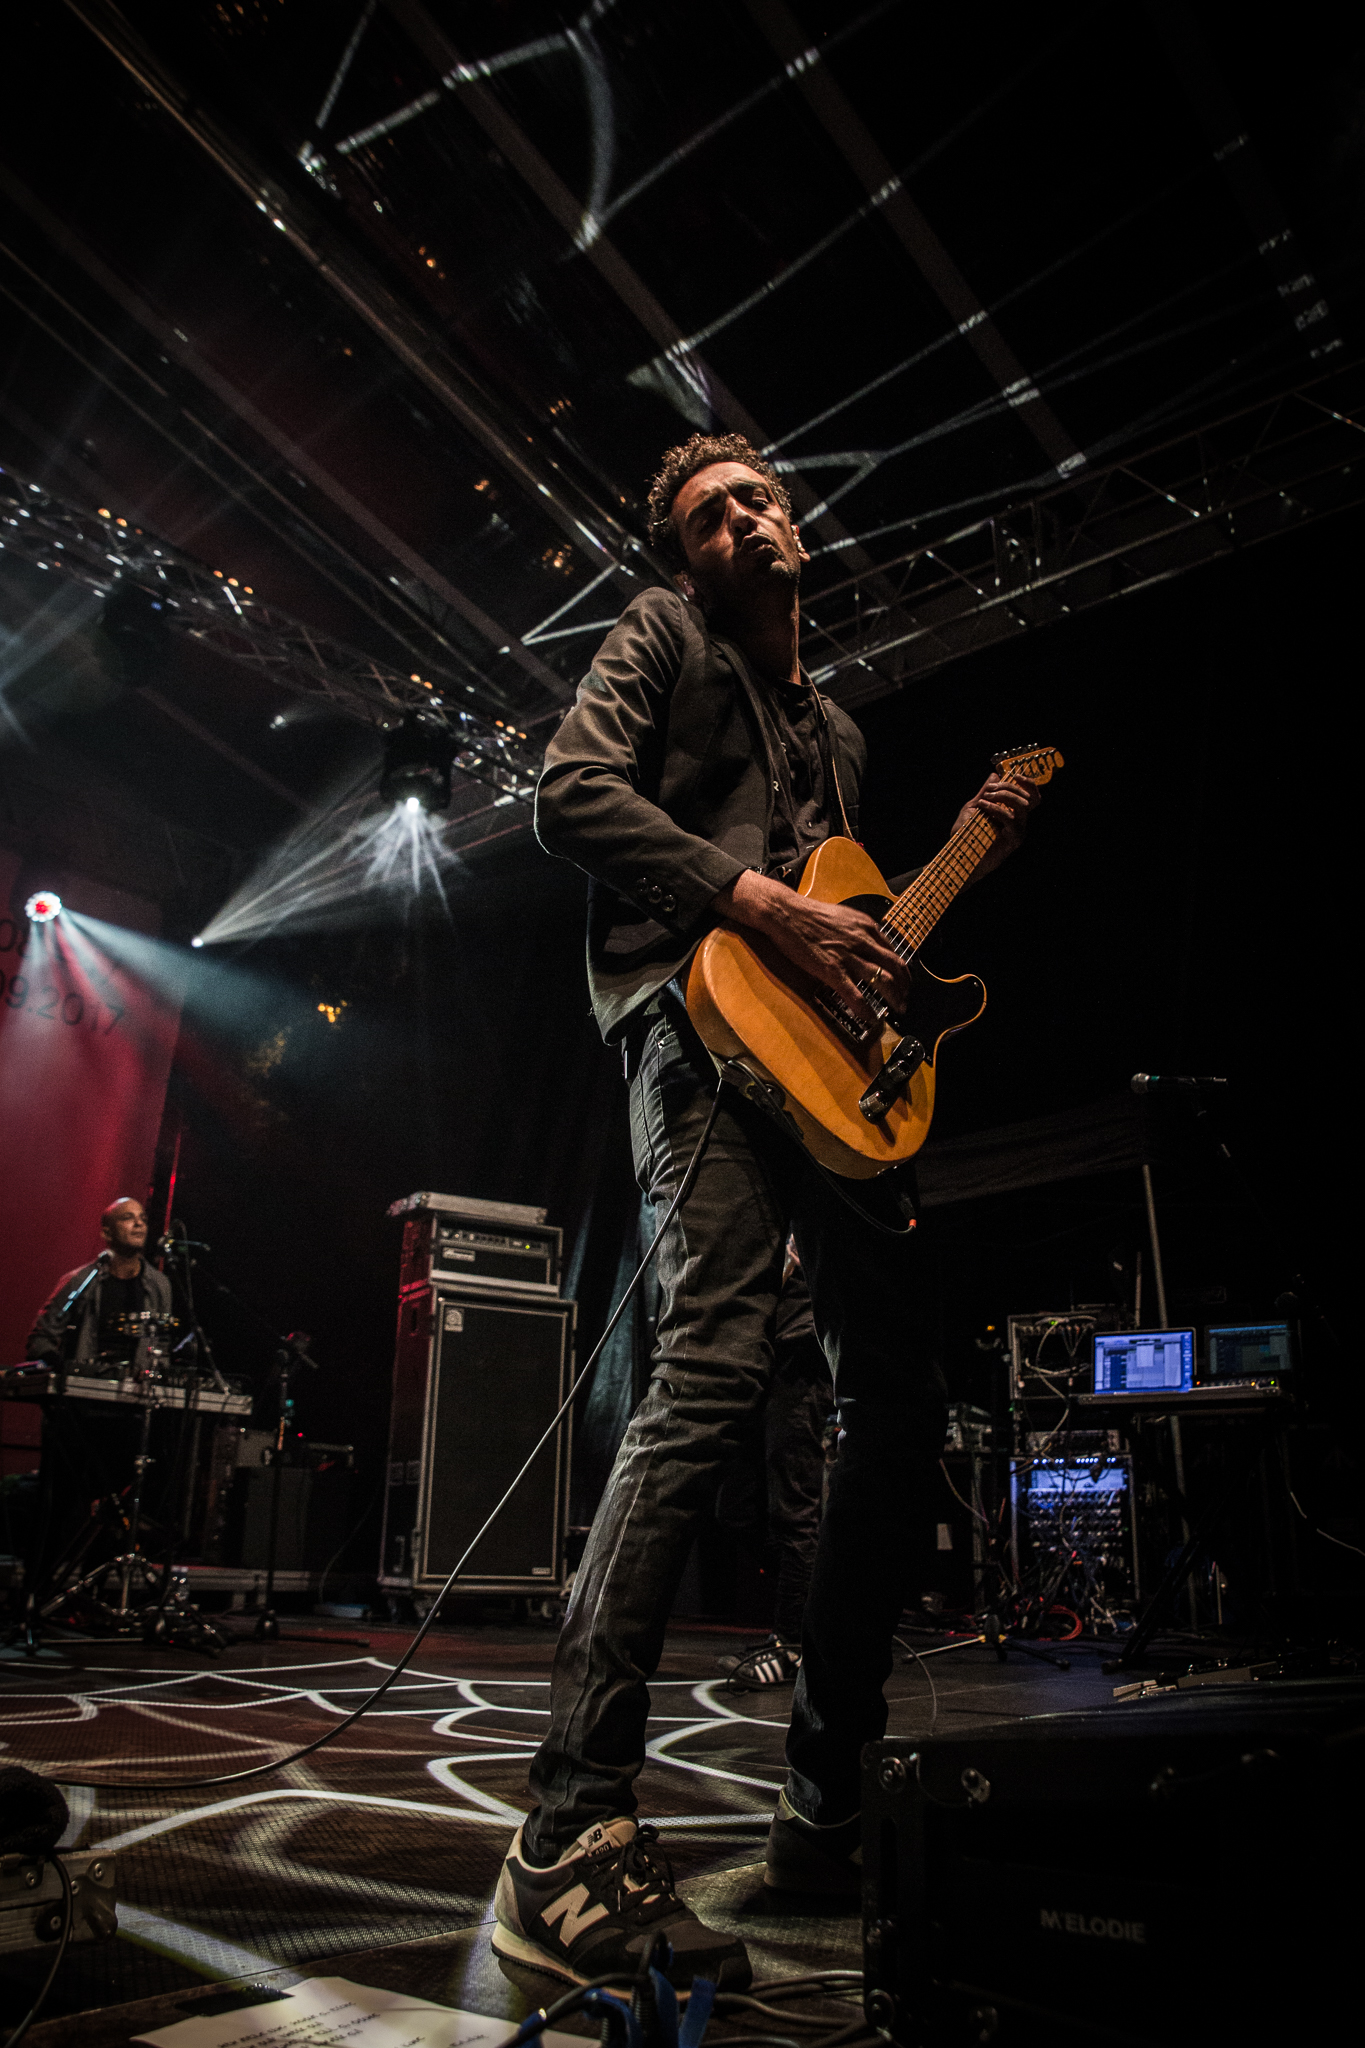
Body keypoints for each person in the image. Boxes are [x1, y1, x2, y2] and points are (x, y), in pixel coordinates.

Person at [492, 433, 1038, 1990]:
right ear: (686, 557)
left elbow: (850, 917)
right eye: (707, 514)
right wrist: (748, 899)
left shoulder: (841, 735)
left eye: (758, 496)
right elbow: (569, 793)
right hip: (695, 1022)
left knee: (899, 1398)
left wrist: (938, 892)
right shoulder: (661, 638)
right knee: (710, 1371)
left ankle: (823, 1794)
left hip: (830, 1072)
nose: (742, 517)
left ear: (795, 524)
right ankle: (567, 1824)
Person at [713, 1245, 832, 1688]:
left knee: (793, 1511)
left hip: (800, 1356)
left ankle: (792, 1644)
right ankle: (815, 1609)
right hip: (757, 1357)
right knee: (735, 1509)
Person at [27, 1197, 172, 1373]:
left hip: (137, 1386)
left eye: (143, 1218)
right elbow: (41, 1338)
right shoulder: (81, 1281)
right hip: (85, 1384)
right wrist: (63, 1368)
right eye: (128, 1217)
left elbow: (162, 1343)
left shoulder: (159, 1285)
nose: (139, 1224)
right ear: (106, 1233)